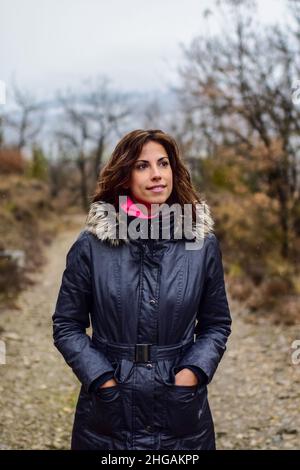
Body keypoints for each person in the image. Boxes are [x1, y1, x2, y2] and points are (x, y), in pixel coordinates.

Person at [52, 129, 232, 450]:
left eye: (163, 164)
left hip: (180, 406)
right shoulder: (91, 245)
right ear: (124, 177)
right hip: (109, 410)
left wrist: (191, 373)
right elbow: (66, 326)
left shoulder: (201, 245)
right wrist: (102, 380)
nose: (157, 175)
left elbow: (216, 325)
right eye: (142, 166)